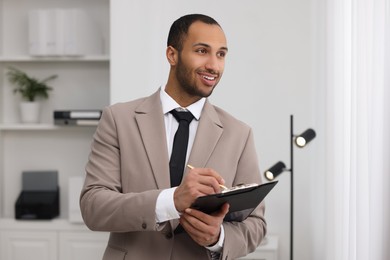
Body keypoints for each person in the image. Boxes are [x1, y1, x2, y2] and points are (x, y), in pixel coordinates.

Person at [80, 13, 266, 260]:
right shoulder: (118, 119)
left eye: (221, 54)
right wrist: (171, 201)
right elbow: (94, 207)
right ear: (172, 55)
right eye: (202, 51)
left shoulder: (239, 134)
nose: (214, 65)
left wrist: (217, 238)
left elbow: (257, 225)